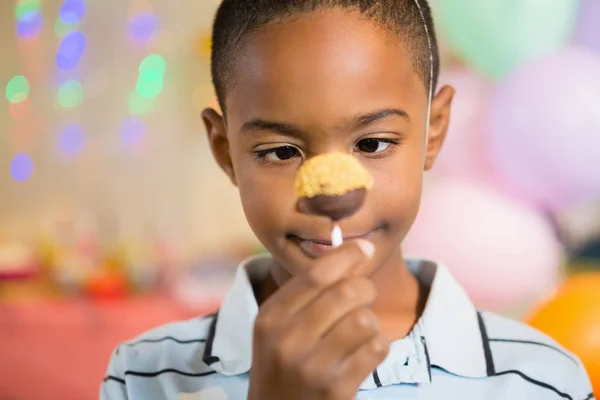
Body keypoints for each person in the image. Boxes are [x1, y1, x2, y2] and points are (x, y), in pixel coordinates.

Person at [101, 0, 595, 399]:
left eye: (373, 143)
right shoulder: (144, 377)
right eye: (280, 151)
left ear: (433, 130)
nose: (333, 195)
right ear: (225, 151)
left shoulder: (541, 380)